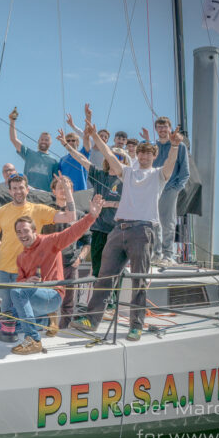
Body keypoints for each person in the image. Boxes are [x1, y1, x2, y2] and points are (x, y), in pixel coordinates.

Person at [72, 114, 184, 341]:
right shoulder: (128, 172)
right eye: (140, 152)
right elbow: (109, 155)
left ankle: (136, 325)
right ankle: (92, 320)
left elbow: (170, 166)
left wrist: (174, 146)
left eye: (148, 152)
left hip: (143, 231)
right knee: (104, 276)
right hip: (118, 229)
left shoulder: (158, 175)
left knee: (138, 279)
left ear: (153, 156)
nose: (143, 155)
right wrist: (94, 135)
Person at [11, 196, 103, 354]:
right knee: (11, 308)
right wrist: (27, 280)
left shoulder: (50, 241)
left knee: (17, 293)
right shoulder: (21, 257)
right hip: (37, 297)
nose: (22, 235)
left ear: (34, 231)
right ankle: (43, 325)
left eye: (25, 230)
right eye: (18, 232)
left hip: (53, 296)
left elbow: (72, 232)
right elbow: (20, 280)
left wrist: (91, 216)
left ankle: (33, 339)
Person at [0, 174, 76, 317]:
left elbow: (70, 217)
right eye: (14, 188)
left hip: (26, 273)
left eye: (21, 187)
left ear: (27, 190)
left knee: (24, 312)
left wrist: (67, 191)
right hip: (2, 271)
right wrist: (4, 252)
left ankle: (28, 338)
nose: (18, 191)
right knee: (5, 311)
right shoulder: (0, 212)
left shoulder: (38, 210)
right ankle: (10, 336)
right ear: (9, 191)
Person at [57, 128, 130, 281]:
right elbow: (81, 159)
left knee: (116, 270)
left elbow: (130, 203)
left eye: (120, 157)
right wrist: (66, 145)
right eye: (113, 156)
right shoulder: (99, 174)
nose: (116, 160)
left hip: (117, 230)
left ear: (125, 161)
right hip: (98, 229)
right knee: (97, 268)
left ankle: (112, 303)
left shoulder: (127, 179)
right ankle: (99, 301)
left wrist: (109, 203)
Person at [40, 174, 92, 331]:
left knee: (69, 302)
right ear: (53, 191)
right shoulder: (45, 212)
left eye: (67, 187)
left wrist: (80, 259)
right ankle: (49, 329)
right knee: (47, 299)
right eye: (60, 187)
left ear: (72, 190)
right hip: (49, 265)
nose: (63, 190)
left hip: (70, 263)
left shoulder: (79, 215)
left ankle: (65, 329)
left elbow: (88, 242)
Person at [146, 117, 190, 265]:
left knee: (167, 223)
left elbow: (185, 171)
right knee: (154, 223)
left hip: (170, 188)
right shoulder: (154, 147)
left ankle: (168, 255)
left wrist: (176, 189)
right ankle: (156, 254)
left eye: (165, 127)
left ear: (170, 128)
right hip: (153, 189)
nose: (162, 130)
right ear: (156, 129)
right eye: (159, 127)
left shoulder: (180, 146)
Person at [9, 108, 58, 191]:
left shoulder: (54, 161)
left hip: (45, 194)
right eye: (42, 139)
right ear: (38, 141)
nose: (43, 141)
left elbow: (56, 181)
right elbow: (14, 139)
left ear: (50, 143)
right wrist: (12, 121)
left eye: (46, 140)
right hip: (29, 191)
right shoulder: (29, 153)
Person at [58, 122, 89, 191]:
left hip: (81, 190)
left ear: (77, 142)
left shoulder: (83, 153)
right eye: (68, 141)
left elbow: (86, 138)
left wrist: (88, 118)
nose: (70, 142)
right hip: (66, 191)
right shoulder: (62, 160)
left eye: (73, 140)